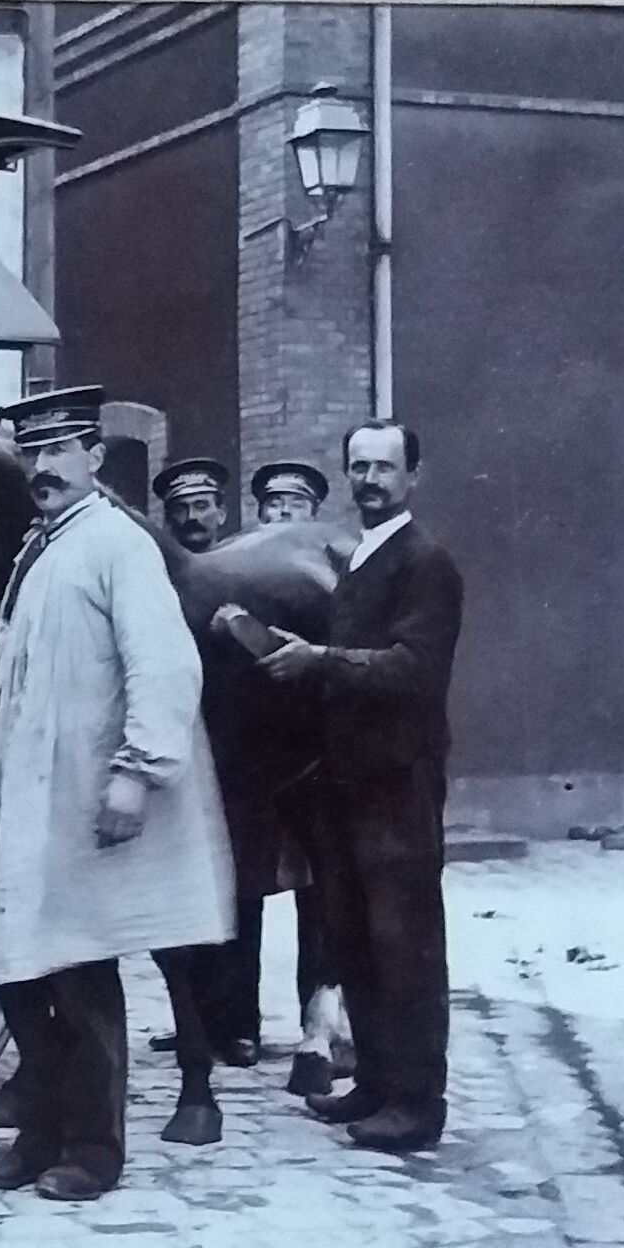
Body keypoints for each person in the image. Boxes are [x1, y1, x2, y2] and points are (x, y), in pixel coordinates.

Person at [0, 386, 233, 1203]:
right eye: (32, 453)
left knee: (78, 977)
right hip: (30, 798)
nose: (43, 468)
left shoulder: (118, 544)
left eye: (60, 451)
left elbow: (166, 666)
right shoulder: (43, 549)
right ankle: (38, 1135)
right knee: (22, 970)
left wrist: (136, 776)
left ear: (94, 458)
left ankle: (93, 1152)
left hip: (86, 799)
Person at [249, 417, 465, 1155]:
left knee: (405, 944)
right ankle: (375, 1084)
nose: (369, 480)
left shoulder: (426, 562)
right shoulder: (366, 557)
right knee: (358, 938)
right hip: (347, 782)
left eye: (384, 467)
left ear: (413, 476)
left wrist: (319, 661)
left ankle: (416, 1103)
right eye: (359, 467)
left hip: (398, 783)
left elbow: (413, 669)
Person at [140, 454, 272, 1142]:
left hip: (237, 752)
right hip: (191, 749)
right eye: (182, 511)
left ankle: (240, 1026)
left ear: (221, 513)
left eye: (203, 509)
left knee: (239, 890)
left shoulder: (237, 580)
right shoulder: (159, 578)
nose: (193, 520)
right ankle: (202, 1020)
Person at [242, 453, 349, 1090]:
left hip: (319, 747)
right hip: (255, 749)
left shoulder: (337, 568)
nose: (283, 516)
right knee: (246, 881)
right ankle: (236, 1021)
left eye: (295, 507)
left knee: (323, 887)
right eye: (273, 507)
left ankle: (323, 1020)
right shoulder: (236, 569)